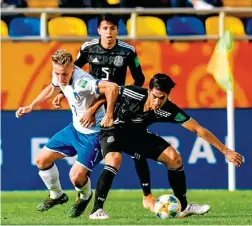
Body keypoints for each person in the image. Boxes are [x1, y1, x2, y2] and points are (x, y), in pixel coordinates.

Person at [88, 73, 244, 219]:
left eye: (162, 98)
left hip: (136, 136)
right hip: (112, 130)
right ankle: (97, 210)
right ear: (149, 90)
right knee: (114, 159)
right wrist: (92, 111)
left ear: (167, 96)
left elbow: (198, 129)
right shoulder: (132, 92)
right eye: (154, 96)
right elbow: (108, 92)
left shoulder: (169, 110)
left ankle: (183, 207)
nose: (157, 102)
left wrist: (226, 151)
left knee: (174, 158)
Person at [53, 13, 156, 211]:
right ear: (98, 30)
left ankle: (147, 196)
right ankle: (87, 198)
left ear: (118, 30)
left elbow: (139, 78)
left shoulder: (128, 51)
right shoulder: (88, 48)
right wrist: (61, 93)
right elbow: (71, 71)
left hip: (117, 106)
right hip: (90, 108)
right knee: (102, 153)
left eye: (113, 28)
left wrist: (127, 98)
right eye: (105, 28)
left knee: (137, 149)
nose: (109, 32)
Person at [15, 49, 118, 218]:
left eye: (64, 74)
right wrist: (31, 105)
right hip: (74, 129)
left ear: (73, 68)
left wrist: (105, 114)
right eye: (57, 73)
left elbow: (112, 88)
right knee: (41, 160)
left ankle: (85, 196)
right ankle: (56, 195)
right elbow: (52, 88)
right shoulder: (58, 74)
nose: (61, 78)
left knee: (76, 177)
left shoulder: (83, 81)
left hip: (93, 134)